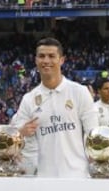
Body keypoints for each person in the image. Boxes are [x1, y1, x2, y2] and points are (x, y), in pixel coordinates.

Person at [13, 37, 99, 178]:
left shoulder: (79, 92)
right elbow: (15, 140)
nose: (46, 61)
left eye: (52, 56)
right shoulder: (29, 99)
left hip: (77, 177)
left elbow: (93, 133)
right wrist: (21, 132)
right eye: (41, 56)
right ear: (36, 60)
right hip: (45, 178)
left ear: (62, 60)